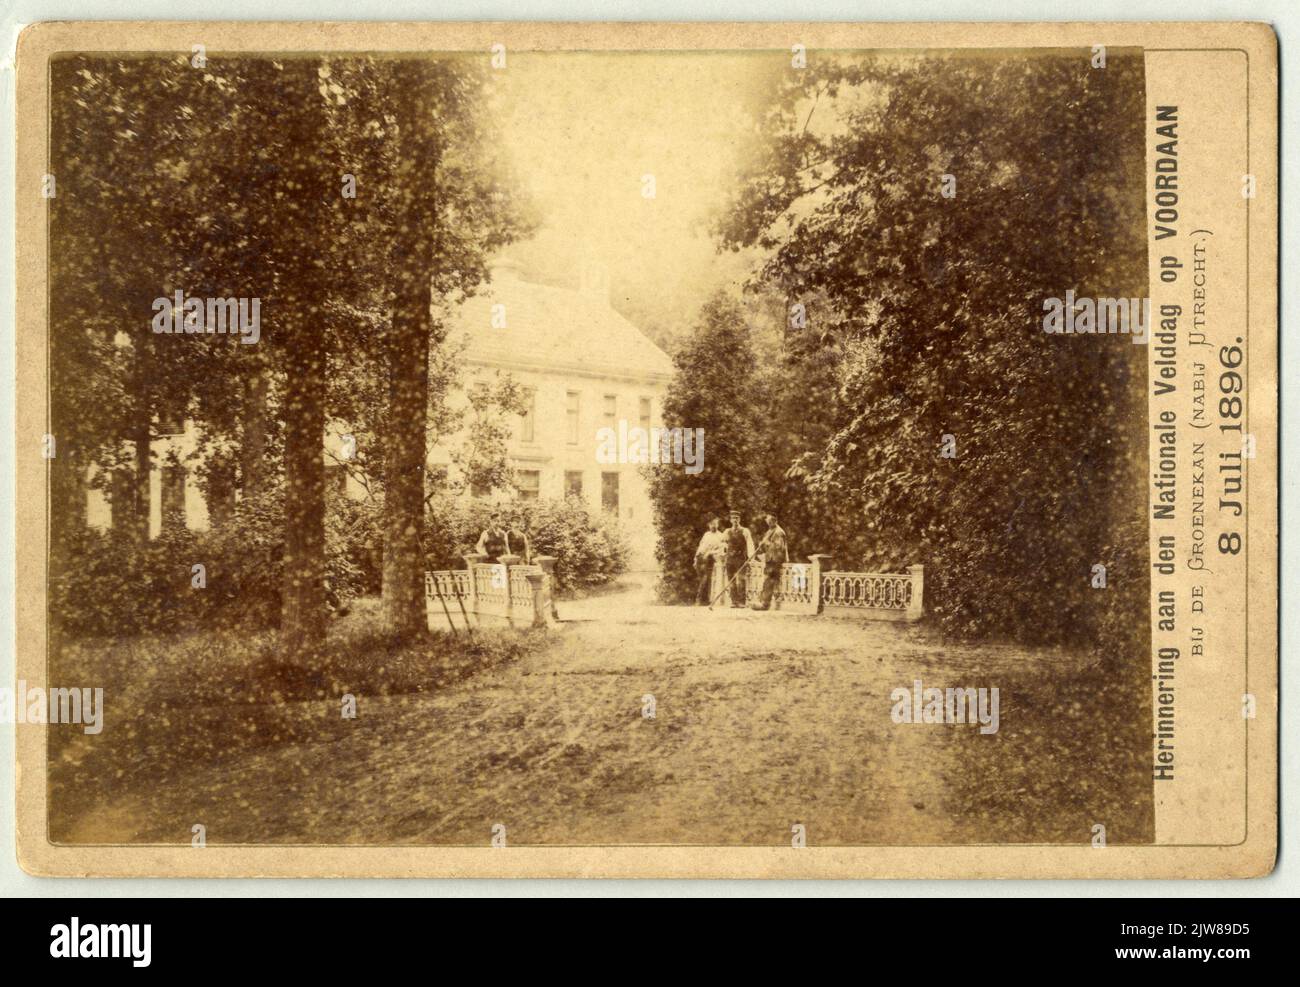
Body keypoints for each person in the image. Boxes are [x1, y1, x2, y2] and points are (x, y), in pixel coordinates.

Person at [755, 512, 789, 610]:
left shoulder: (779, 532)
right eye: (768, 521)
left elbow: (779, 547)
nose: (769, 523)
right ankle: (765, 603)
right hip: (770, 559)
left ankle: (766, 604)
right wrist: (762, 545)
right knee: (769, 581)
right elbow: (767, 545)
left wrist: (767, 543)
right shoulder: (770, 531)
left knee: (769, 581)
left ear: (775, 521)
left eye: (770, 521)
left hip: (775, 560)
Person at [723, 510, 755, 608]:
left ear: (739, 519)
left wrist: (750, 557)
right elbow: (723, 543)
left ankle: (742, 602)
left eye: (737, 518)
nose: (735, 520)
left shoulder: (745, 531)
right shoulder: (727, 531)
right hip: (730, 559)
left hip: (740, 558)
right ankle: (734, 601)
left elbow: (750, 544)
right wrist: (724, 552)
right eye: (733, 518)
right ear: (730, 520)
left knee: (741, 580)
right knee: (731, 580)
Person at [693, 517, 726, 605]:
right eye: (711, 524)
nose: (713, 525)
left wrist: (710, 552)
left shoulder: (721, 535)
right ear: (709, 525)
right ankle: (705, 599)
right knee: (702, 579)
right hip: (700, 557)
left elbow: (722, 549)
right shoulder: (706, 534)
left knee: (706, 578)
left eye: (715, 523)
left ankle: (699, 600)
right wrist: (695, 559)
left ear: (718, 525)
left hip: (709, 559)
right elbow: (701, 546)